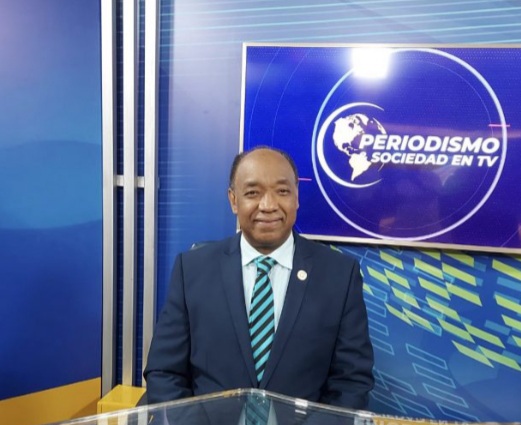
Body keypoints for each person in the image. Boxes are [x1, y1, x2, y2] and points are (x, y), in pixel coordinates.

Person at [144, 146, 374, 410]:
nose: (268, 205)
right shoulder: (192, 270)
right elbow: (164, 372)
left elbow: (351, 382)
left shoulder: (339, 276)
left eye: (282, 191)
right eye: (253, 193)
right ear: (233, 200)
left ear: (297, 197)